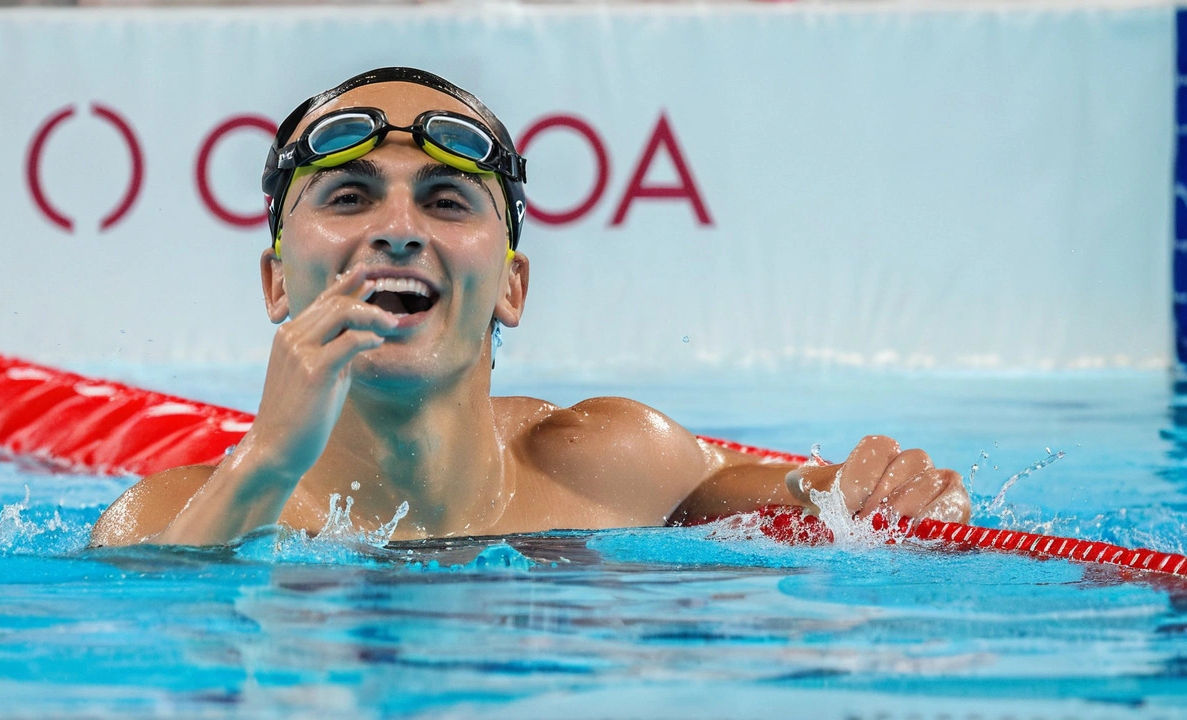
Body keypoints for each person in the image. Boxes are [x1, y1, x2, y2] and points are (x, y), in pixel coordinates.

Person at [90, 67, 970, 548]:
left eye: (445, 202)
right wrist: (271, 460)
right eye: (350, 197)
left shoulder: (611, 465)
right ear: (277, 282)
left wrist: (864, 495)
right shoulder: (166, 522)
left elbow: (802, 500)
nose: (397, 230)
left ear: (513, 286)